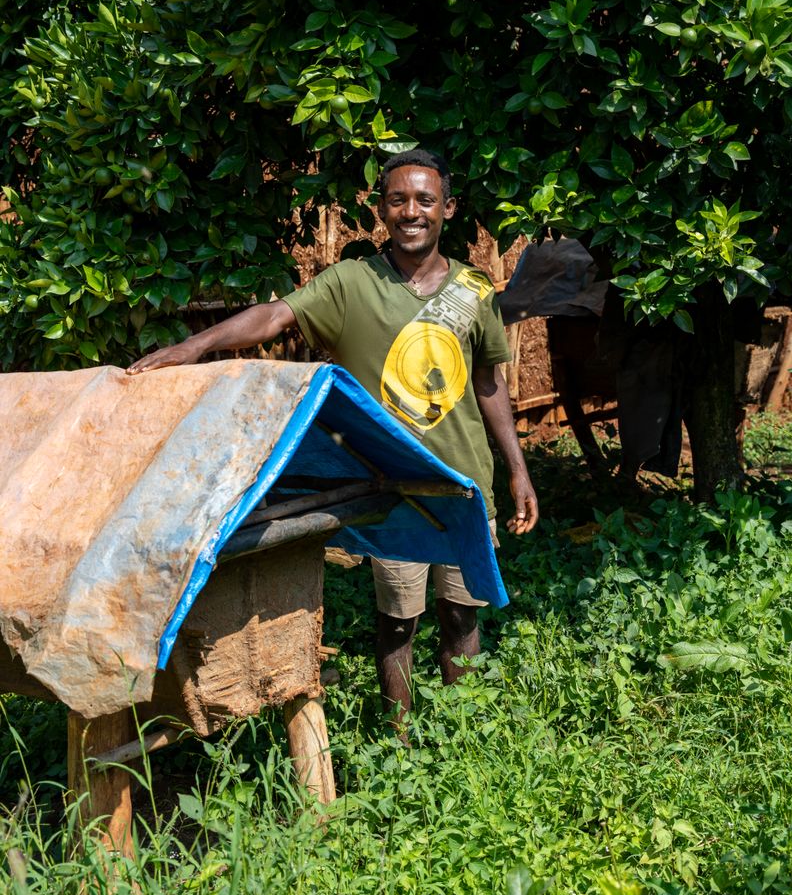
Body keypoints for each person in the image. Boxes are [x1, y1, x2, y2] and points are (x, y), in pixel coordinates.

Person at [127, 149, 538, 724]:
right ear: (381, 210)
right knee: (398, 620)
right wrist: (194, 347)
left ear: (447, 208)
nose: (411, 212)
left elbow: (490, 383)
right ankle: (401, 741)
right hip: (396, 489)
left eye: (424, 200)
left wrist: (517, 470)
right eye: (398, 200)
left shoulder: (473, 291)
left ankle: (460, 733)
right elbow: (275, 318)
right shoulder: (350, 283)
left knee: (463, 615)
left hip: (466, 482)